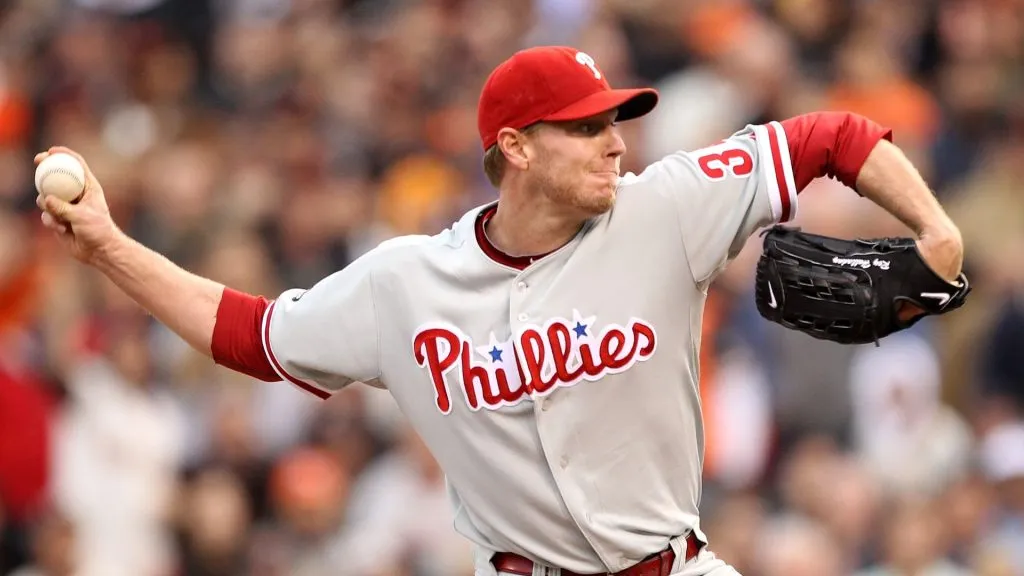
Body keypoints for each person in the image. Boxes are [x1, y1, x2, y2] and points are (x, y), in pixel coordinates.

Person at [35, 45, 964, 576]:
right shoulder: (405, 284)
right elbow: (248, 334)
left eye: (615, 121)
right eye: (587, 126)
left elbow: (831, 137)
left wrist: (936, 231)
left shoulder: (664, 208)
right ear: (516, 148)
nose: (616, 142)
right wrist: (110, 246)